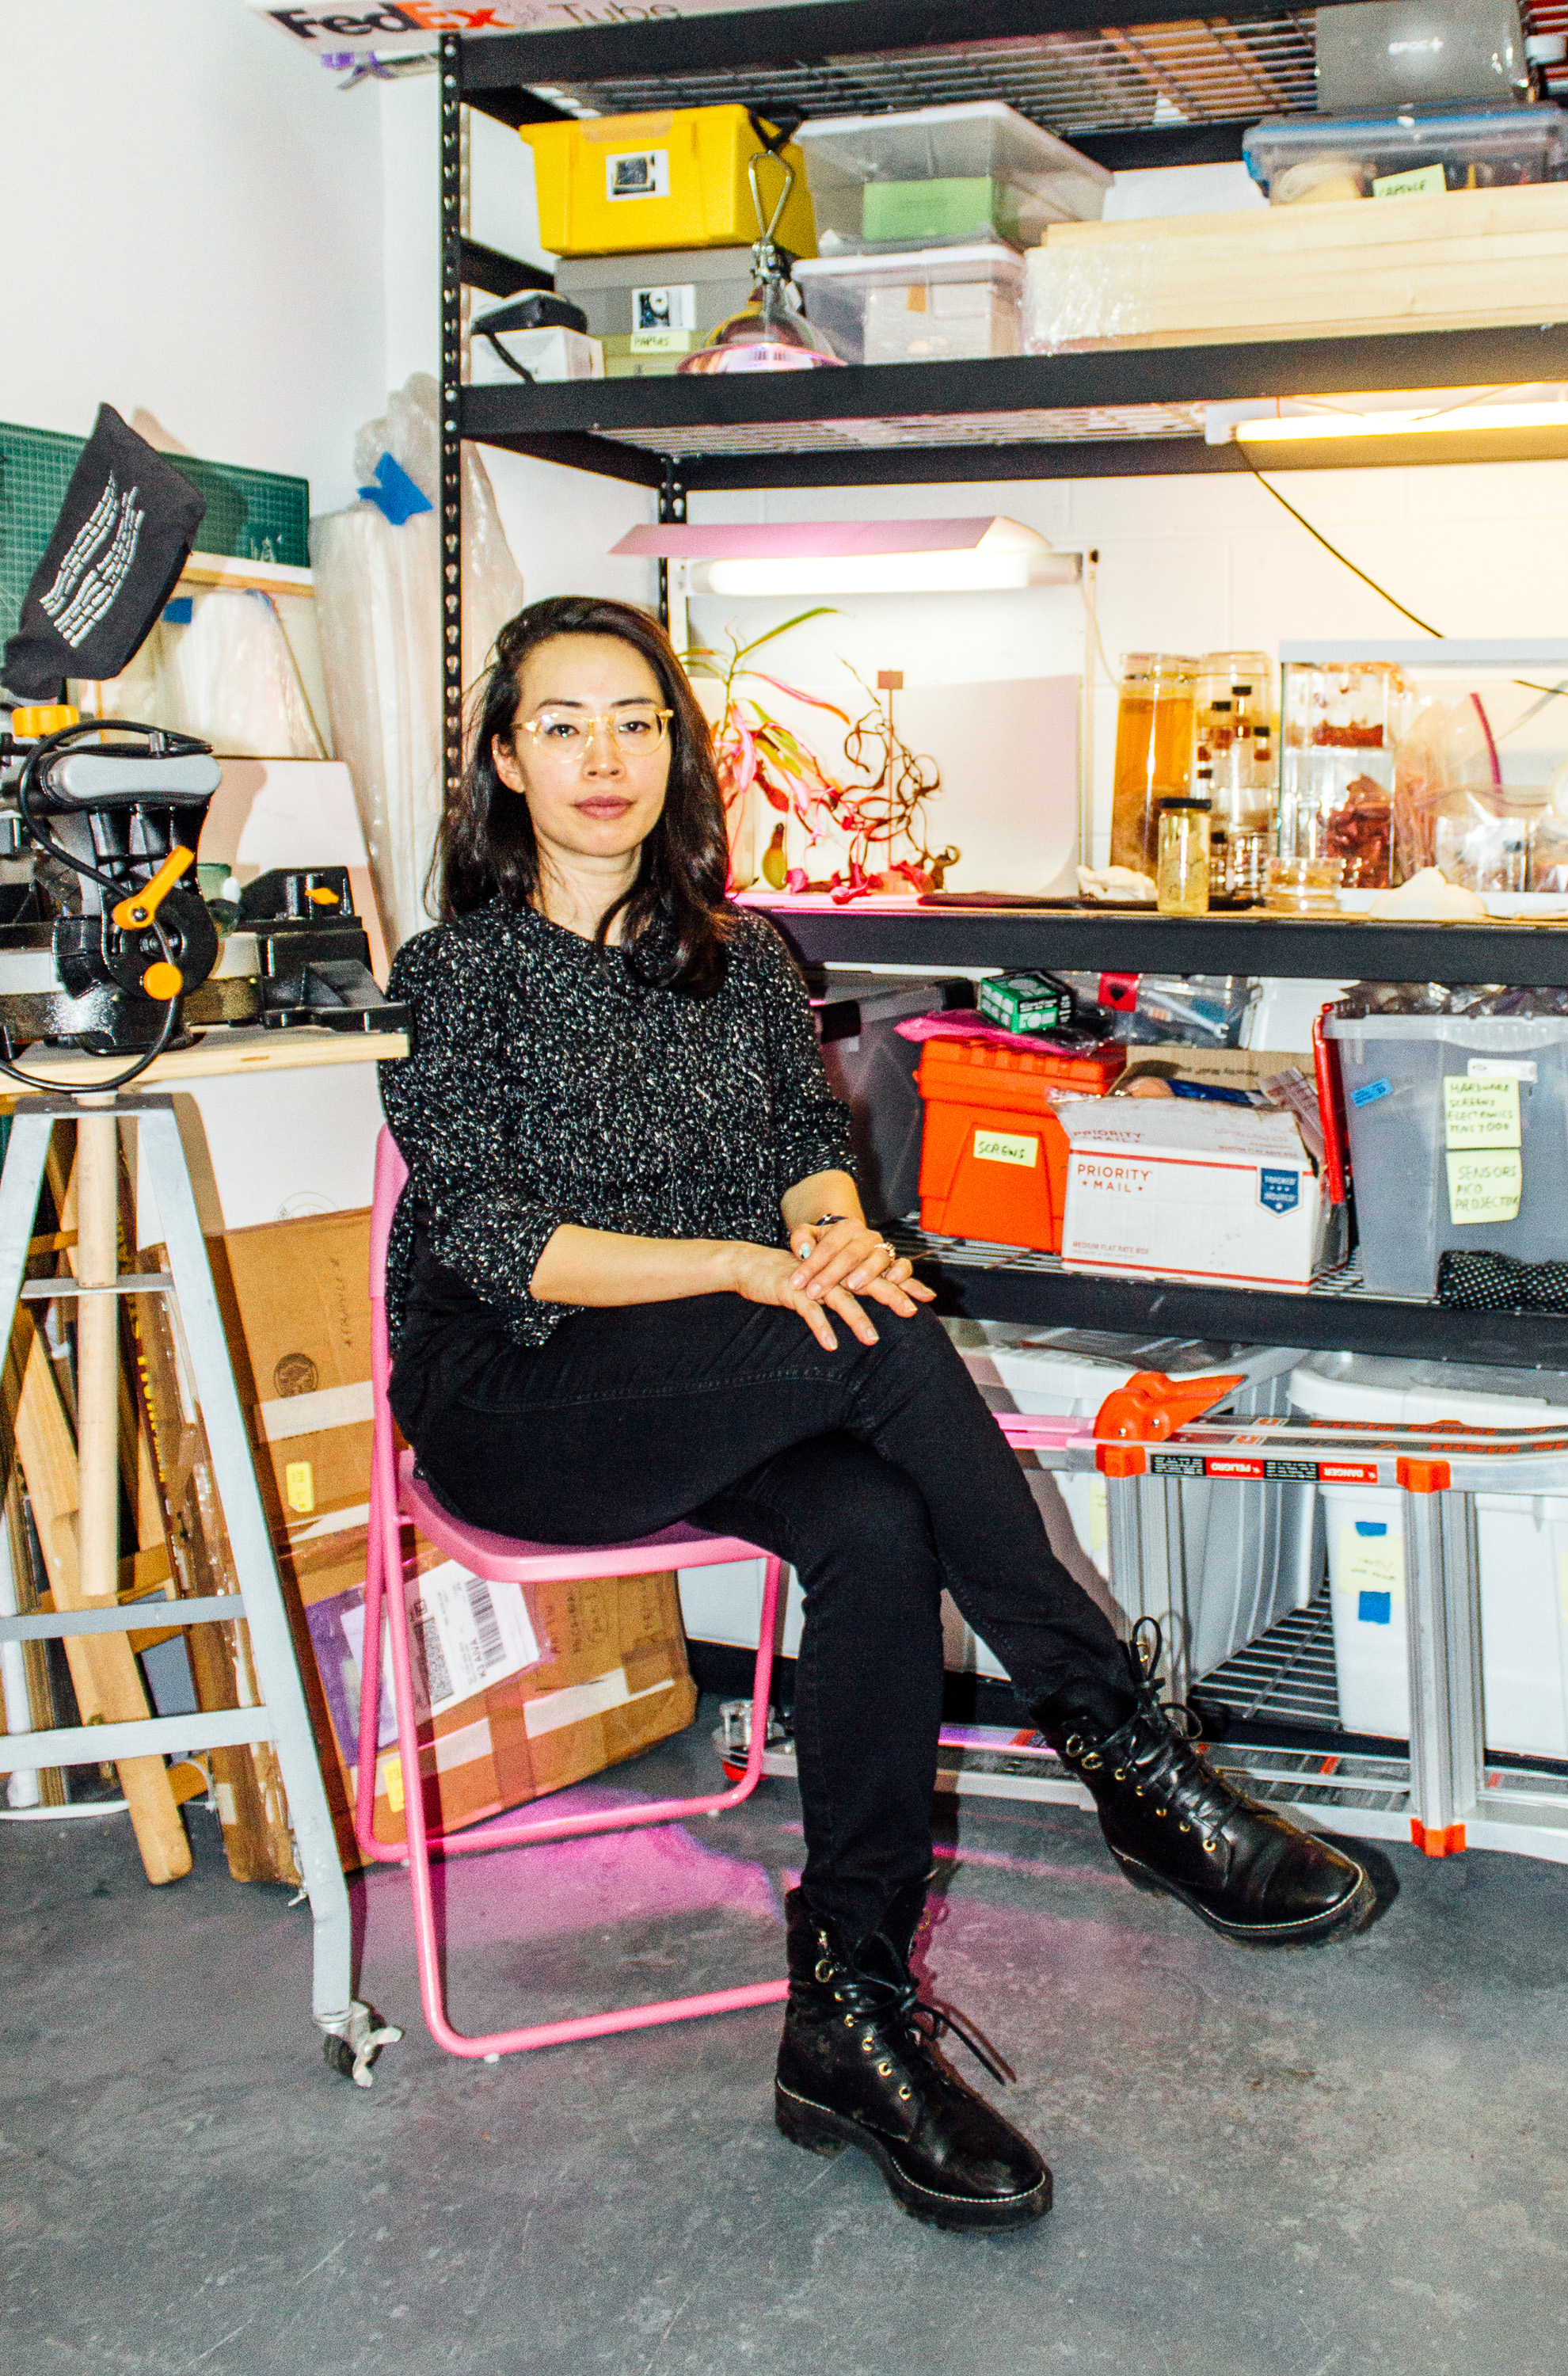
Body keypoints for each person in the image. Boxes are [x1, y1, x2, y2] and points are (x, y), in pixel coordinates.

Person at [379, 594, 1370, 2235]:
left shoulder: (742, 958)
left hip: (703, 1379)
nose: (603, 756)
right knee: (882, 1345)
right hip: (517, 1393)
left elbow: (804, 1155)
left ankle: (848, 2006)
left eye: (634, 721)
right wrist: (754, 1271)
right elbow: (495, 1238)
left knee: (878, 1515)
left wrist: (829, 1231)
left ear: (674, 751)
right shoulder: (458, 974)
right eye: (561, 724)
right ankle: (1123, 1750)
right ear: (503, 761)